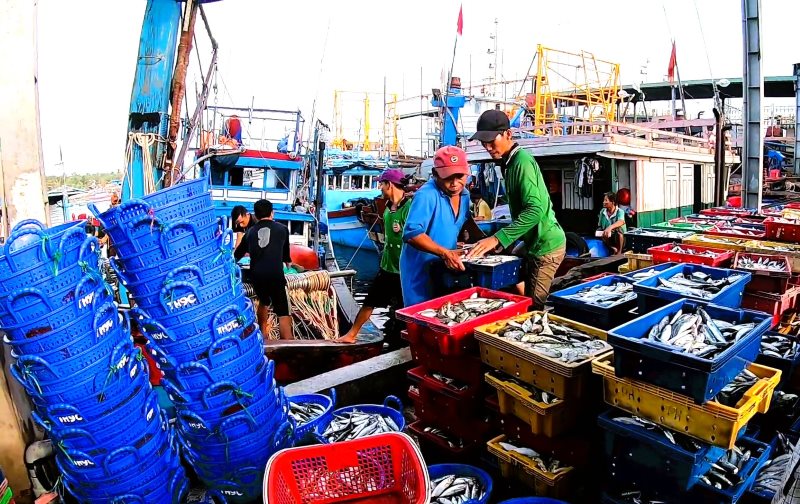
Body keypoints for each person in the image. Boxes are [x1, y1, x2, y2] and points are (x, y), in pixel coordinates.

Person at [466, 109, 566, 309]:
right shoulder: (507, 163)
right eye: (483, 142)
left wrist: (497, 238)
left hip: (546, 246)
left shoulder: (522, 162)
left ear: (508, 134)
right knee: (506, 268)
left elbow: (535, 211)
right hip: (530, 243)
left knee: (535, 307)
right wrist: (500, 244)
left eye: (491, 141)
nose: (487, 147)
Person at [338, 169, 410, 344]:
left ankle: (407, 341)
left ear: (389, 185)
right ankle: (352, 334)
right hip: (387, 266)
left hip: (405, 270)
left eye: (382, 184)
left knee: (406, 309)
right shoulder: (387, 209)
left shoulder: (410, 207)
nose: (380, 188)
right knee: (370, 301)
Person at [400, 146, 471, 307]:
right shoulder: (426, 195)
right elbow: (412, 234)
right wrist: (445, 253)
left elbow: (465, 224)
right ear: (435, 174)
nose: (454, 183)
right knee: (421, 321)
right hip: (421, 275)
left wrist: (490, 241)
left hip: (446, 271)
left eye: (460, 176)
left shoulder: (465, 195)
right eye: (447, 177)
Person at [233, 199, 293, 340]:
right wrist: (288, 263)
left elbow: (236, 256)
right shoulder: (283, 229)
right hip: (275, 275)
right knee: (283, 311)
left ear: (256, 215)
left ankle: (263, 335)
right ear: (272, 213)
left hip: (257, 276)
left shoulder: (250, 233)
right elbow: (286, 257)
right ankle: (288, 340)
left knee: (264, 301)